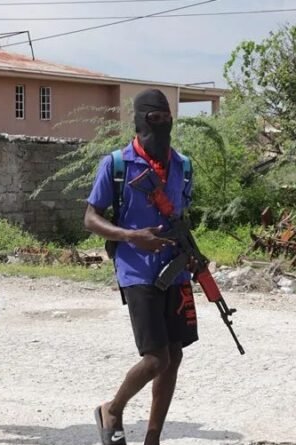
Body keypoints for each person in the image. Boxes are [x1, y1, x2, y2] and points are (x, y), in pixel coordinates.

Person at [85, 88, 198, 445]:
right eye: (154, 118)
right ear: (139, 120)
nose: (162, 123)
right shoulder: (116, 165)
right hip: (137, 270)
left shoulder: (183, 166)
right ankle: (112, 409)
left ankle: (153, 437)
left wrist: (193, 255)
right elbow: (90, 217)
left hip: (175, 270)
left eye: (167, 117)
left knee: (174, 355)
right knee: (155, 359)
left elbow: (181, 217)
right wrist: (131, 236)